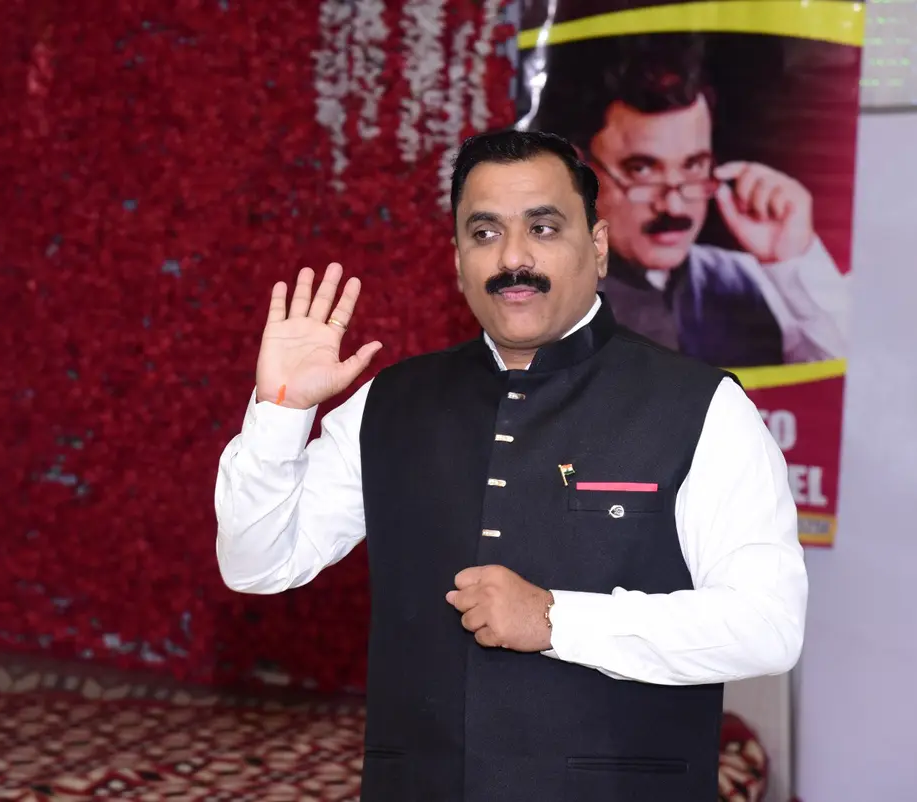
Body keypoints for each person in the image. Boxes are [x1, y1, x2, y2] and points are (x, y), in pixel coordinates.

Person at [214, 130, 807, 802]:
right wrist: (281, 411)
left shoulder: (701, 407)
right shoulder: (392, 402)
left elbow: (769, 628)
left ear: (598, 246)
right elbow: (257, 564)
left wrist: (556, 619)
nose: (513, 258)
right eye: (485, 232)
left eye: (543, 228)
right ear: (458, 259)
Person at [527, 36, 849, 367]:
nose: (674, 206)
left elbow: (851, 376)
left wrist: (792, 258)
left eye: (693, 167)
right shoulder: (542, 294)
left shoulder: (757, 280)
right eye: (641, 170)